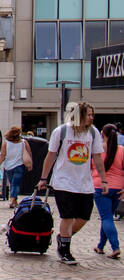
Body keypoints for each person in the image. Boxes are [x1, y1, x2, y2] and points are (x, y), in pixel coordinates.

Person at [37, 101, 107, 266]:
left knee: (83, 217)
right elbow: (51, 155)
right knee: (67, 217)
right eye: (89, 114)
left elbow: (97, 157)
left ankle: (63, 238)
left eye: (92, 115)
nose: (92, 118)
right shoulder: (61, 131)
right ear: (80, 115)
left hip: (84, 183)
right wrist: (43, 178)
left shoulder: (93, 133)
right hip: (63, 182)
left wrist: (103, 180)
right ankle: (65, 251)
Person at [92, 122, 124, 259]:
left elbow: (90, 167)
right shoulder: (122, 150)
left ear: (102, 134)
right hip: (118, 187)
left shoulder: (98, 150)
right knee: (108, 217)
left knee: (106, 218)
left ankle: (115, 247)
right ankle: (100, 246)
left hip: (101, 186)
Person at [0, 125, 31, 208]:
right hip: (20, 166)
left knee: (13, 183)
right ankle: (13, 200)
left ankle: (13, 200)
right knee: (16, 184)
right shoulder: (24, 142)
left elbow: (3, 155)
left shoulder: (6, 143)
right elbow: (29, 153)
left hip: (8, 166)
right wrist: (30, 164)